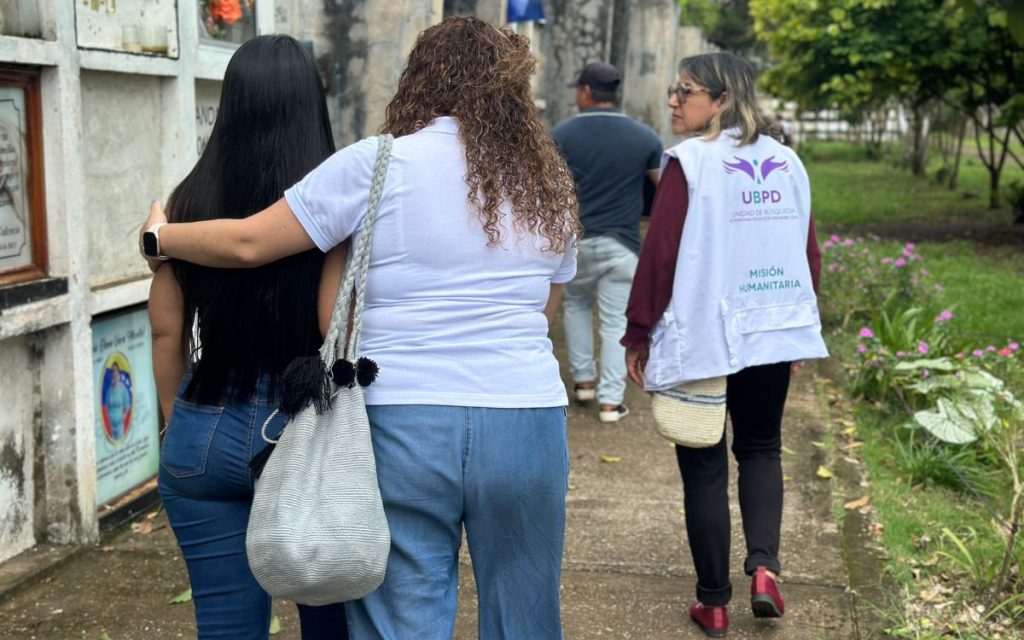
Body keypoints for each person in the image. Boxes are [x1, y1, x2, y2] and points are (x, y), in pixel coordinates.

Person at [142, 17, 579, 640]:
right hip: (526, 416)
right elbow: (544, 309)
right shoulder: (549, 183)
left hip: (404, 416)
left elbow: (248, 242)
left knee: (403, 614)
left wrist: (162, 237)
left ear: (421, 80)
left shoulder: (376, 166)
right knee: (526, 614)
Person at [621, 52, 827, 638]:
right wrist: (795, 329)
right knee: (761, 450)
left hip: (704, 332)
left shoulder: (690, 164)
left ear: (721, 99)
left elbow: (659, 257)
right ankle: (765, 569)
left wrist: (638, 332)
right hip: (770, 329)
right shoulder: (787, 162)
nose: (672, 101)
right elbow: (806, 253)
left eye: (684, 91)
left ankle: (713, 603)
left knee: (703, 465)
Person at [148, 35, 347, 639]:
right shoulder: (335, 200)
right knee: (331, 622)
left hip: (203, 425)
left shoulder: (185, 204)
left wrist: (172, 420)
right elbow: (328, 324)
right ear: (312, 105)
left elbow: (165, 328)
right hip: (307, 430)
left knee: (226, 627)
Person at [551, 62, 662, 423]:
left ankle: (583, 382)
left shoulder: (560, 135)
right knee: (616, 323)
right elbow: (664, 189)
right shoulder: (645, 137)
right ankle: (610, 404)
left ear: (585, 92)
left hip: (575, 243)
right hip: (622, 245)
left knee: (577, 307)